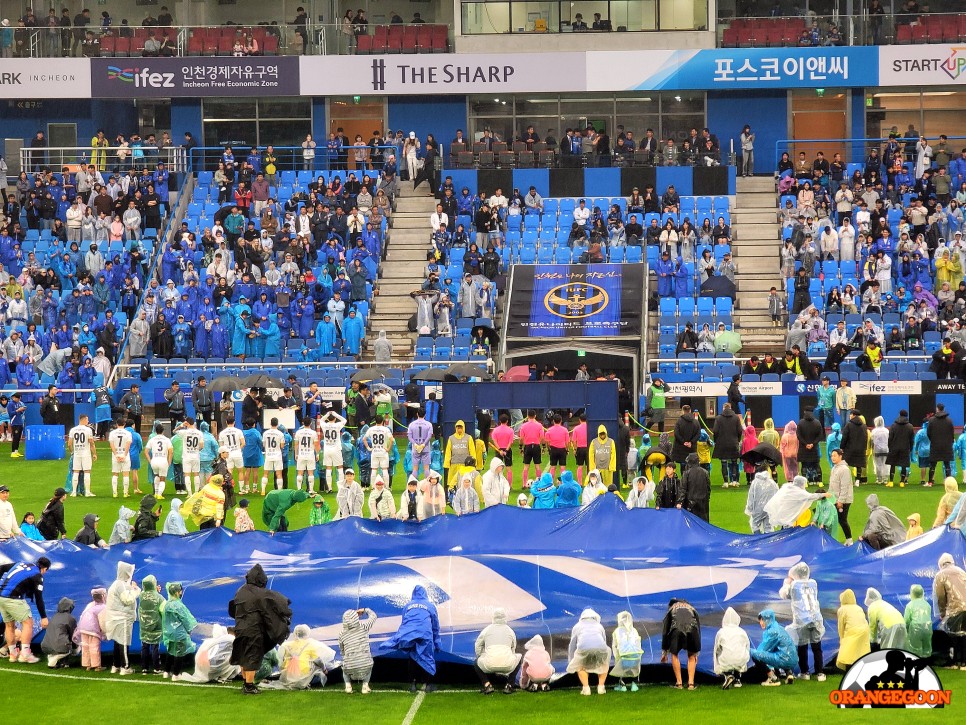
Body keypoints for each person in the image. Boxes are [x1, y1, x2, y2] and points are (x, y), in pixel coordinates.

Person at [229, 564, 293, 695]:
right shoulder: (260, 593)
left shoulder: (240, 591)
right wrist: (287, 608)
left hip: (240, 628)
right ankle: (249, 686)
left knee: (243, 656)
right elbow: (278, 601)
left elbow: (232, 608)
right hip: (253, 630)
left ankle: (245, 682)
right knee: (252, 656)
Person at [382, 585, 441, 693]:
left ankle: (413, 684)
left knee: (413, 656)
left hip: (409, 634)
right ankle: (428, 685)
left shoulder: (408, 605)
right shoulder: (430, 606)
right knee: (427, 657)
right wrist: (437, 643)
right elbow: (435, 626)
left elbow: (404, 621)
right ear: (425, 594)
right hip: (424, 634)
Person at [0, 556, 51, 664]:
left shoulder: (21, 563)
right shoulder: (37, 576)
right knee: (28, 623)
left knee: (9, 625)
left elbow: (1, 568)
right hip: (13, 598)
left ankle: (13, 655)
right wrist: (44, 617)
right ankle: (25, 654)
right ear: (45, 569)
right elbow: (39, 599)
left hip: (1, 596)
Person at [779, 563, 826, 681]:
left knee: (802, 646)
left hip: (802, 620)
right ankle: (820, 673)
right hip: (816, 618)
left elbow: (784, 594)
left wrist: (786, 583)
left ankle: (805, 672)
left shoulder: (794, 585)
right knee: (817, 646)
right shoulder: (813, 583)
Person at [474, 608, 522, 695]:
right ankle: (509, 685)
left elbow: (478, 645)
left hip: (488, 664)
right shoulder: (510, 631)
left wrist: (480, 655)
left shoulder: (486, 630)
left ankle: (487, 685)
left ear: (493, 617)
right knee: (519, 658)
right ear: (505, 618)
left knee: (476, 662)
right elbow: (513, 648)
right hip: (508, 665)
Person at [104, 561, 140, 674]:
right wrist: (136, 590)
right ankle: (125, 667)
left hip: (116, 618)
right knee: (124, 642)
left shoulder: (117, 584)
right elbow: (128, 600)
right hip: (122, 618)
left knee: (117, 642)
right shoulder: (121, 585)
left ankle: (116, 665)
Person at [933, 552, 966, 667]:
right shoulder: (962, 572)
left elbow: (940, 596)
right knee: (964, 635)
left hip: (954, 609)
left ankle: (956, 660)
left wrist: (942, 612)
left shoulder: (940, 575)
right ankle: (964, 661)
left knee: (954, 636)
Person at [568, 608, 611, 695]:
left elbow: (572, 644)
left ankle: (586, 688)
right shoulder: (599, 626)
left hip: (583, 648)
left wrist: (571, 659)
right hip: (601, 648)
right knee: (604, 663)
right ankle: (601, 687)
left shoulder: (577, 626)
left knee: (580, 666)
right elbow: (604, 641)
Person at [661, 599, 700, 690]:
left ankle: (679, 683)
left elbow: (665, 631)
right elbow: (698, 628)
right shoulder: (692, 608)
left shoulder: (671, 609)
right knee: (691, 655)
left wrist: (664, 652)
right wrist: (696, 651)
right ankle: (691, 684)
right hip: (692, 630)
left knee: (674, 654)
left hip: (676, 629)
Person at [162, 582, 197, 682]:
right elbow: (185, 619)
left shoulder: (167, 604)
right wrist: (189, 629)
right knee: (179, 654)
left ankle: (166, 672)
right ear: (177, 592)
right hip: (179, 633)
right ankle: (176, 674)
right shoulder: (178, 605)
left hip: (169, 633)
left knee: (170, 652)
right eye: (180, 591)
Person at [751, 609, 796, 686]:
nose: (760, 623)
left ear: (767, 620)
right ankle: (789, 673)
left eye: (762, 620)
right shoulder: (779, 627)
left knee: (755, 654)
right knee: (777, 650)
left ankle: (772, 678)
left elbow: (763, 649)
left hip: (783, 659)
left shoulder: (772, 631)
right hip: (792, 659)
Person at [340, 608, 377, 693]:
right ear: (356, 618)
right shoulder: (364, 628)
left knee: (344, 665)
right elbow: (373, 616)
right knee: (369, 663)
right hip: (365, 666)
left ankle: (348, 686)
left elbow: (342, 651)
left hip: (349, 667)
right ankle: (365, 686)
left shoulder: (341, 634)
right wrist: (365, 610)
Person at [714, 606, 750, 690]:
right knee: (742, 653)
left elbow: (717, 649)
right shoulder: (742, 631)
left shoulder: (721, 632)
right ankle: (737, 679)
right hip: (741, 660)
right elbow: (747, 646)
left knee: (718, 654)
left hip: (726, 660)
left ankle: (728, 675)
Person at [836, 589, 871, 670]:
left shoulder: (842, 609)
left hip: (852, 631)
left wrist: (841, 639)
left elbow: (841, 626)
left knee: (848, 654)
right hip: (865, 630)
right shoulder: (858, 608)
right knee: (860, 652)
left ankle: (849, 671)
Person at [75, 587, 108, 671]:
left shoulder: (90, 605)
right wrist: (105, 633)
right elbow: (103, 621)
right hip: (93, 629)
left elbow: (82, 615)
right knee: (94, 646)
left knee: (85, 646)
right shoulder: (103, 607)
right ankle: (96, 666)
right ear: (103, 596)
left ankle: (87, 664)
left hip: (82, 627)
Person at [610, 611, 644, 691]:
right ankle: (634, 684)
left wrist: (616, 657)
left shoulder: (617, 631)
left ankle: (622, 685)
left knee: (622, 668)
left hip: (624, 654)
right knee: (633, 668)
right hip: (636, 654)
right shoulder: (634, 630)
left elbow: (614, 645)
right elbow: (638, 643)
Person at [137, 575, 164, 675]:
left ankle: (144, 668)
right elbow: (163, 608)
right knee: (155, 647)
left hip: (144, 626)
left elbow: (147, 594)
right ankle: (156, 668)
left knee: (144, 646)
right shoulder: (158, 597)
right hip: (156, 625)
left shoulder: (141, 595)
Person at [828, 449, 855, 545]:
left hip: (844, 500)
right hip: (834, 499)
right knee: (834, 519)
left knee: (842, 520)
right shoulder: (834, 468)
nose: (833, 458)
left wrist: (841, 501)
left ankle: (849, 539)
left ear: (840, 456)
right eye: (832, 456)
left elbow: (845, 486)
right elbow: (832, 485)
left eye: (835, 456)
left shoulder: (844, 469)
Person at [40, 597, 76, 669]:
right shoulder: (70, 618)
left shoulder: (54, 616)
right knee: (71, 646)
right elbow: (73, 636)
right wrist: (75, 646)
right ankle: (54, 660)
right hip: (60, 646)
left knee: (64, 640)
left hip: (45, 646)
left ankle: (62, 662)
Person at [68, 414, 96, 497]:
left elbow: (69, 444)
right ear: (83, 419)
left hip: (77, 453)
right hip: (86, 453)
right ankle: (87, 492)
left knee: (76, 472)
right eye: (87, 420)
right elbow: (91, 442)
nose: (88, 421)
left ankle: (73, 492)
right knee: (87, 471)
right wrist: (94, 453)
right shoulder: (88, 430)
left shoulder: (73, 430)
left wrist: (72, 452)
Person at [745, 465, 778, 534]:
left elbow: (751, 496)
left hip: (757, 508)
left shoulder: (755, 483)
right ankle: (768, 543)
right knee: (768, 527)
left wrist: (749, 509)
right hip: (769, 508)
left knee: (755, 525)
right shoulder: (772, 483)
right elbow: (777, 496)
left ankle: (758, 540)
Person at [904, 584, 933, 659]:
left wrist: (906, 631)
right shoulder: (927, 604)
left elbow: (906, 621)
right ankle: (925, 665)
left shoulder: (910, 605)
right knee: (926, 649)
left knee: (915, 650)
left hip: (915, 629)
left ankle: (916, 665)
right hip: (928, 628)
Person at [680, 453, 711, 521]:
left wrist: (680, 502)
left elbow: (683, 488)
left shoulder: (686, 473)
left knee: (692, 523)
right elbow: (708, 487)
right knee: (703, 523)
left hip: (690, 502)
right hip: (703, 502)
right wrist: (707, 498)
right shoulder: (705, 472)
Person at [147, 422, 173, 499]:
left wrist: (150, 460)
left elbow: (146, 451)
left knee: (156, 475)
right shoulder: (167, 439)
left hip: (154, 460)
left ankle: (156, 492)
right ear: (163, 431)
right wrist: (169, 461)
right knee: (163, 478)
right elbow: (170, 451)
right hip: (163, 460)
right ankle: (159, 494)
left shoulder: (152, 439)